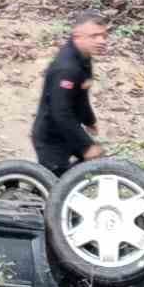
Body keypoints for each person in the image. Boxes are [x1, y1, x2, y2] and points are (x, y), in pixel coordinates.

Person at [31, 11, 110, 174]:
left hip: (68, 130)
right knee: (54, 187)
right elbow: (60, 111)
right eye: (94, 36)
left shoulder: (83, 56)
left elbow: (81, 94)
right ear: (77, 36)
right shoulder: (67, 68)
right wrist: (86, 146)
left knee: (95, 162)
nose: (101, 41)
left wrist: (89, 120)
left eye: (104, 35)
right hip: (51, 136)